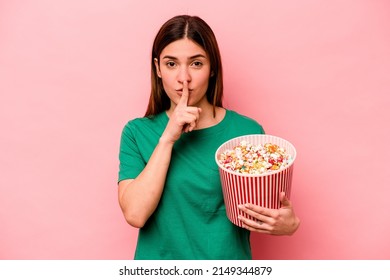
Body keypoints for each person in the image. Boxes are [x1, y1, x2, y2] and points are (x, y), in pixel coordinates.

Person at [117, 15, 300, 260]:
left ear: (212, 68)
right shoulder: (137, 133)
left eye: (196, 64)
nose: (184, 78)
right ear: (158, 69)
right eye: (171, 64)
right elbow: (135, 214)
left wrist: (289, 224)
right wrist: (168, 139)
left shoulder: (247, 133)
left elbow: (266, 209)